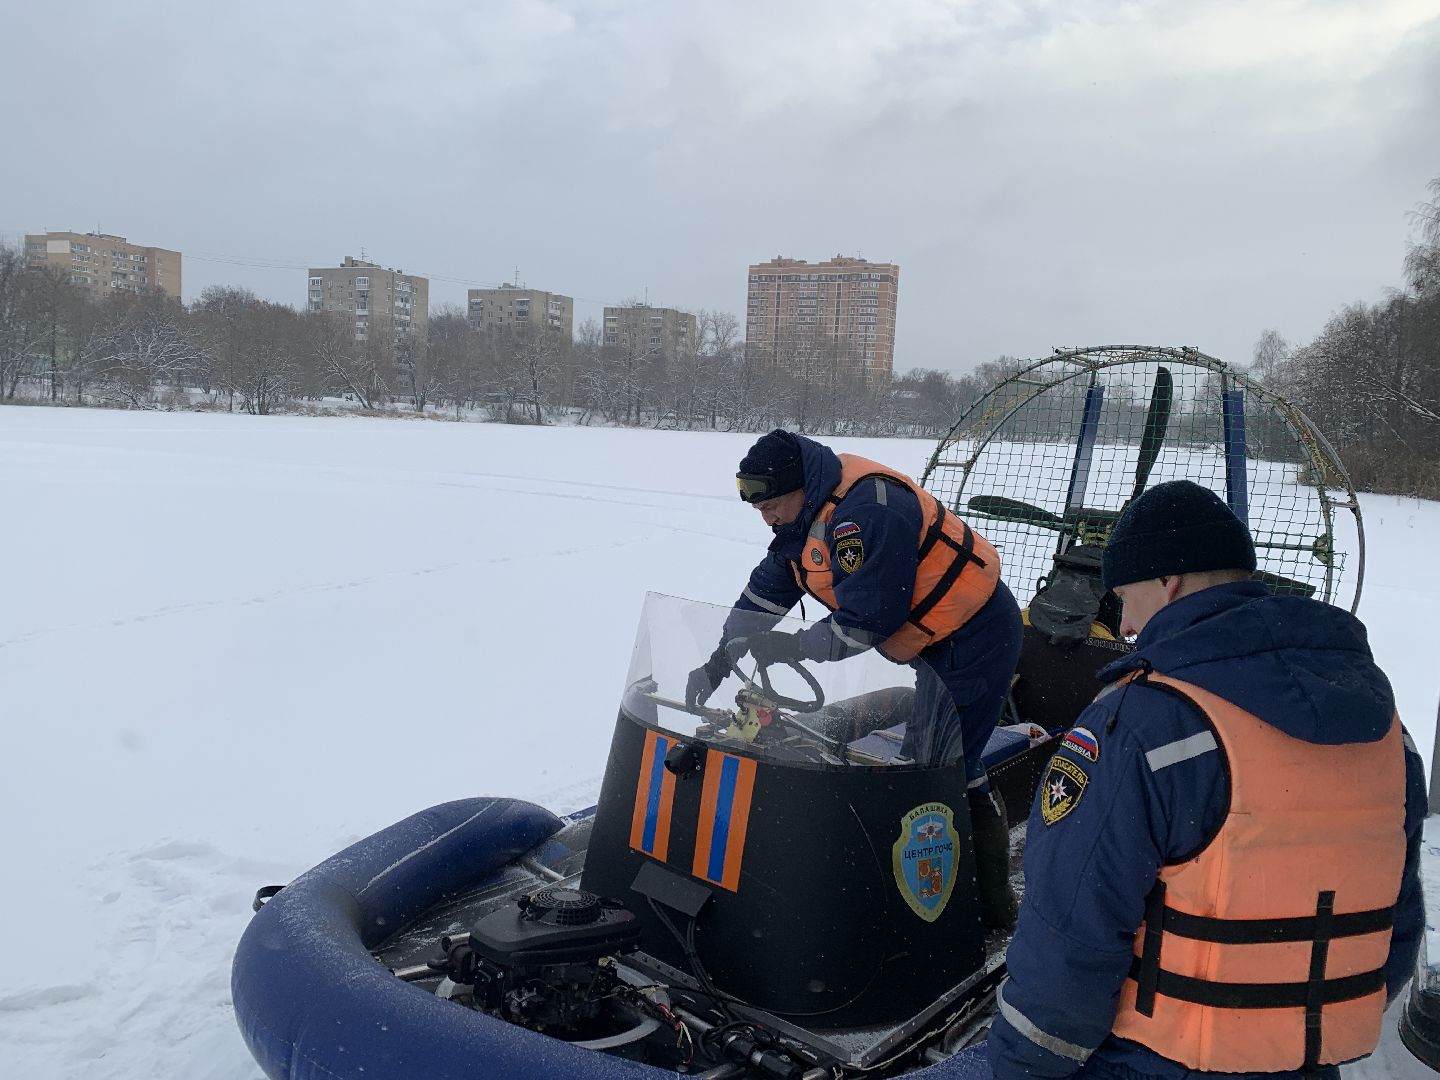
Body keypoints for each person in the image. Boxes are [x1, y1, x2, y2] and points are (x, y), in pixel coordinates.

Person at [988, 480, 1427, 1080]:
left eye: (1125, 598)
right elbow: (1394, 928)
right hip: (1309, 1061)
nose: (1128, 625)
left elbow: (1069, 938)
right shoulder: (1387, 732)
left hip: (1151, 1060)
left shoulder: (1139, 723)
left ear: (1168, 583)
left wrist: (1020, 1065)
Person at [686, 429, 1024, 929]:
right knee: (926, 761)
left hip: (975, 638)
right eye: (760, 511)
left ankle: (987, 907)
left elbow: (869, 620)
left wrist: (795, 646)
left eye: (772, 506)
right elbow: (763, 595)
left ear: (800, 487)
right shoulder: (802, 520)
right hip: (929, 642)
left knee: (940, 768)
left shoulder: (869, 511)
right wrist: (719, 659)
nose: (767, 518)